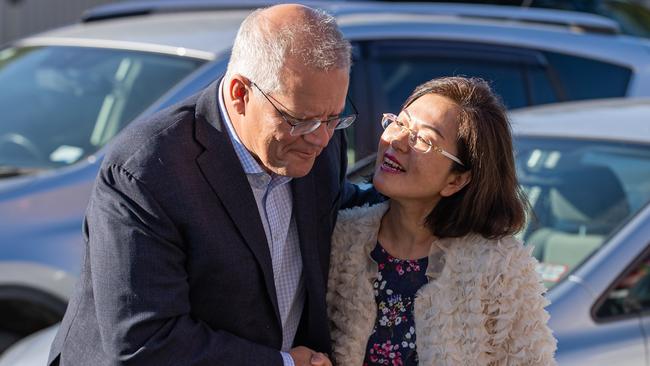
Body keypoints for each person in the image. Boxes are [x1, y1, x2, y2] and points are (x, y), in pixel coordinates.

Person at [48, 4, 363, 366]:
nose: (320, 139)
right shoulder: (148, 170)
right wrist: (283, 364)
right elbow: (146, 342)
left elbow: (346, 211)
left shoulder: (321, 138)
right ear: (240, 94)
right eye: (299, 120)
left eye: (333, 117)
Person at [327, 77, 557, 365]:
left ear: (457, 180)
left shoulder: (500, 267)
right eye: (399, 123)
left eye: (423, 139)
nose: (395, 141)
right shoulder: (342, 238)